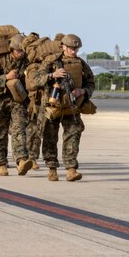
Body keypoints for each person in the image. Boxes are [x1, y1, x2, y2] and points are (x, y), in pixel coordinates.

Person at [39, 33, 95, 182]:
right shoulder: (51, 61)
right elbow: (35, 80)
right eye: (71, 49)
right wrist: (52, 75)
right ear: (63, 46)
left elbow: (91, 82)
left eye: (76, 49)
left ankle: (71, 169)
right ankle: (52, 168)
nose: (74, 52)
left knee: (73, 135)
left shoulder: (81, 63)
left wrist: (82, 91)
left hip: (72, 106)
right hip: (53, 105)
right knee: (50, 137)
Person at [0, 34, 34, 176]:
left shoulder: (27, 61)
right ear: (12, 50)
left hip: (18, 100)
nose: (21, 53)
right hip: (0, 99)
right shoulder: (0, 61)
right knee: (0, 131)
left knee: (19, 128)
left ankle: (21, 160)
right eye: (18, 51)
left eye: (22, 51)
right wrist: (6, 77)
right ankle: (1, 163)